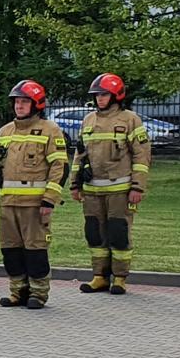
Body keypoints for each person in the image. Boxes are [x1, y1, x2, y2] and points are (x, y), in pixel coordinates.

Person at [0, 80, 69, 310]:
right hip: (8, 204)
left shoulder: (50, 130)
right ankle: (17, 291)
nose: (19, 106)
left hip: (34, 205)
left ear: (36, 104)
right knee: (10, 250)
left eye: (24, 102)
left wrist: (49, 200)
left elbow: (59, 167)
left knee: (35, 250)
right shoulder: (5, 131)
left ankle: (38, 293)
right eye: (17, 102)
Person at [73, 73, 151, 295]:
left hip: (120, 189)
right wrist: (75, 184)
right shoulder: (88, 120)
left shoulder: (130, 120)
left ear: (116, 96)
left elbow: (141, 156)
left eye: (104, 95)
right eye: (97, 95)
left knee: (118, 233)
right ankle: (99, 276)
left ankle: (119, 278)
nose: (100, 98)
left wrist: (137, 187)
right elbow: (80, 155)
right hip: (92, 190)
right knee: (94, 233)